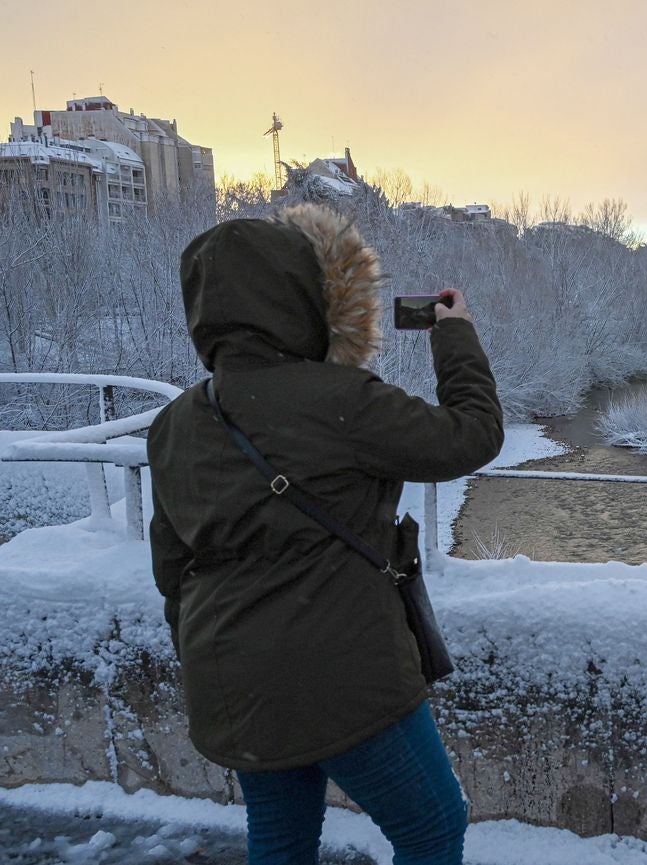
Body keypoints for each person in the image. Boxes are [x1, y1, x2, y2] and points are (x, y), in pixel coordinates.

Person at [147, 203, 504, 865]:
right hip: (343, 675)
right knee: (432, 826)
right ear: (304, 296)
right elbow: (473, 434)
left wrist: (220, 654)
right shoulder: (340, 399)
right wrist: (454, 333)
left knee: (281, 840)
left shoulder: (175, 424)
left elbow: (174, 570)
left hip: (232, 680)